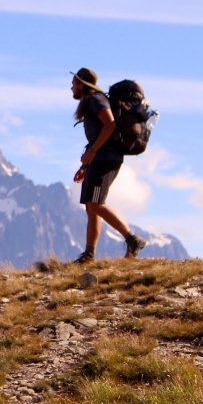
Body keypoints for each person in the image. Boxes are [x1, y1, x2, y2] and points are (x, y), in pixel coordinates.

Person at [69, 67, 146, 263]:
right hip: (98, 160)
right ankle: (89, 254)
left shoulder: (96, 100)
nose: (71, 87)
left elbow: (110, 125)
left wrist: (93, 152)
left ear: (83, 85)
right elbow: (97, 135)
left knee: (95, 204)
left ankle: (132, 239)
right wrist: (85, 166)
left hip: (105, 159)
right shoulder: (92, 102)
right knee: (91, 206)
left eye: (74, 83)